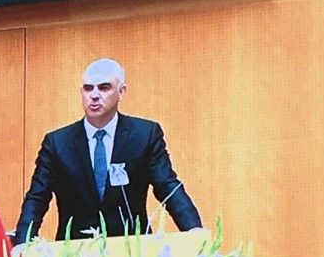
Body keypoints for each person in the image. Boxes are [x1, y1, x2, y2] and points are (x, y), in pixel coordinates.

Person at [13, 58, 203, 243]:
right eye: (88, 88)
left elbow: (167, 185)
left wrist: (194, 230)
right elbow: (37, 197)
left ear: (121, 92)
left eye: (104, 88)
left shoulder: (145, 135)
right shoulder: (57, 143)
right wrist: (23, 242)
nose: (94, 95)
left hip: (132, 251)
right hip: (75, 254)